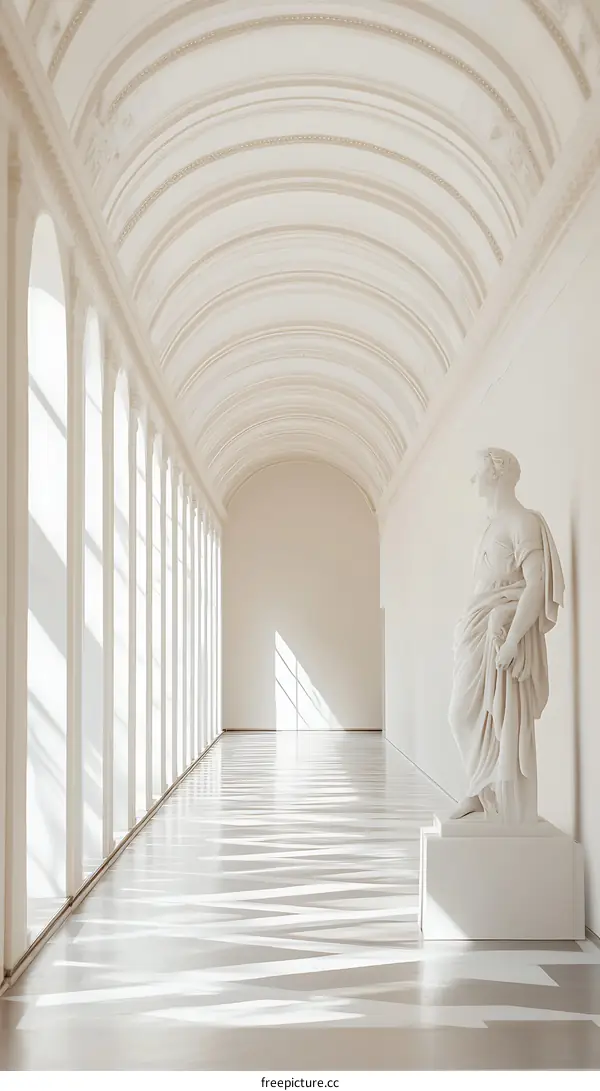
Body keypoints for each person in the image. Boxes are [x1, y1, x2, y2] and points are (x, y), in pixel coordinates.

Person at [448, 448, 564, 823]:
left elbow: (536, 584)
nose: (473, 479)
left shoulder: (522, 522)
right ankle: (479, 791)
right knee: (462, 714)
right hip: (477, 629)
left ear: (497, 473)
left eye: (478, 471)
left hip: (499, 633)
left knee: (481, 715)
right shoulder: (489, 525)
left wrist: (513, 638)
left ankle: (491, 794)